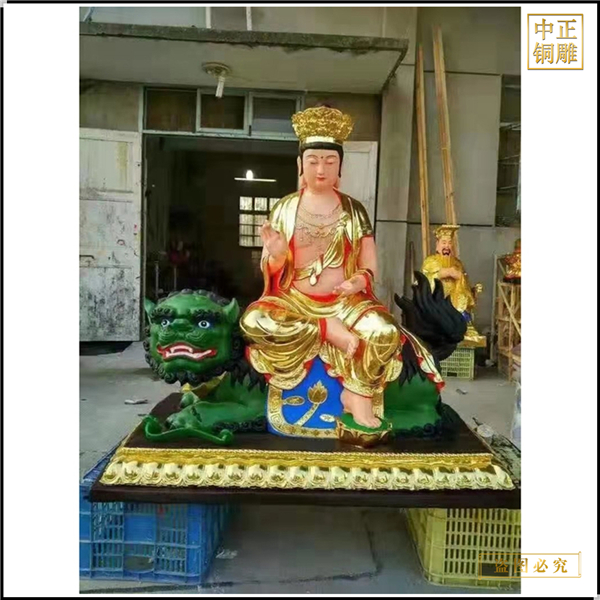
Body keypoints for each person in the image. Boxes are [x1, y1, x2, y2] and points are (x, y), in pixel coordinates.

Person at [240, 106, 404, 429]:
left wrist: (358, 282)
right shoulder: (285, 208)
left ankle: (357, 393)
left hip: (346, 303)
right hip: (294, 301)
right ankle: (325, 329)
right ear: (300, 165)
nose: (321, 169)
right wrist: (277, 255)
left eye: (330, 161)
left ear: (340, 166)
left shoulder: (354, 210)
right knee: (253, 321)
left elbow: (369, 263)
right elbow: (272, 272)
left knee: (385, 332)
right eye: (313, 160)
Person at [421, 224, 486, 347]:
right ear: (437, 245)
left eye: (450, 243)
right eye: (444, 243)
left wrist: (462, 279)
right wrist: (443, 273)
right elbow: (424, 281)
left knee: (462, 296)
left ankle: (464, 326)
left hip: (454, 298)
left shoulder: (457, 263)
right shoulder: (430, 261)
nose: (447, 246)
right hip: (437, 299)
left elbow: (464, 282)